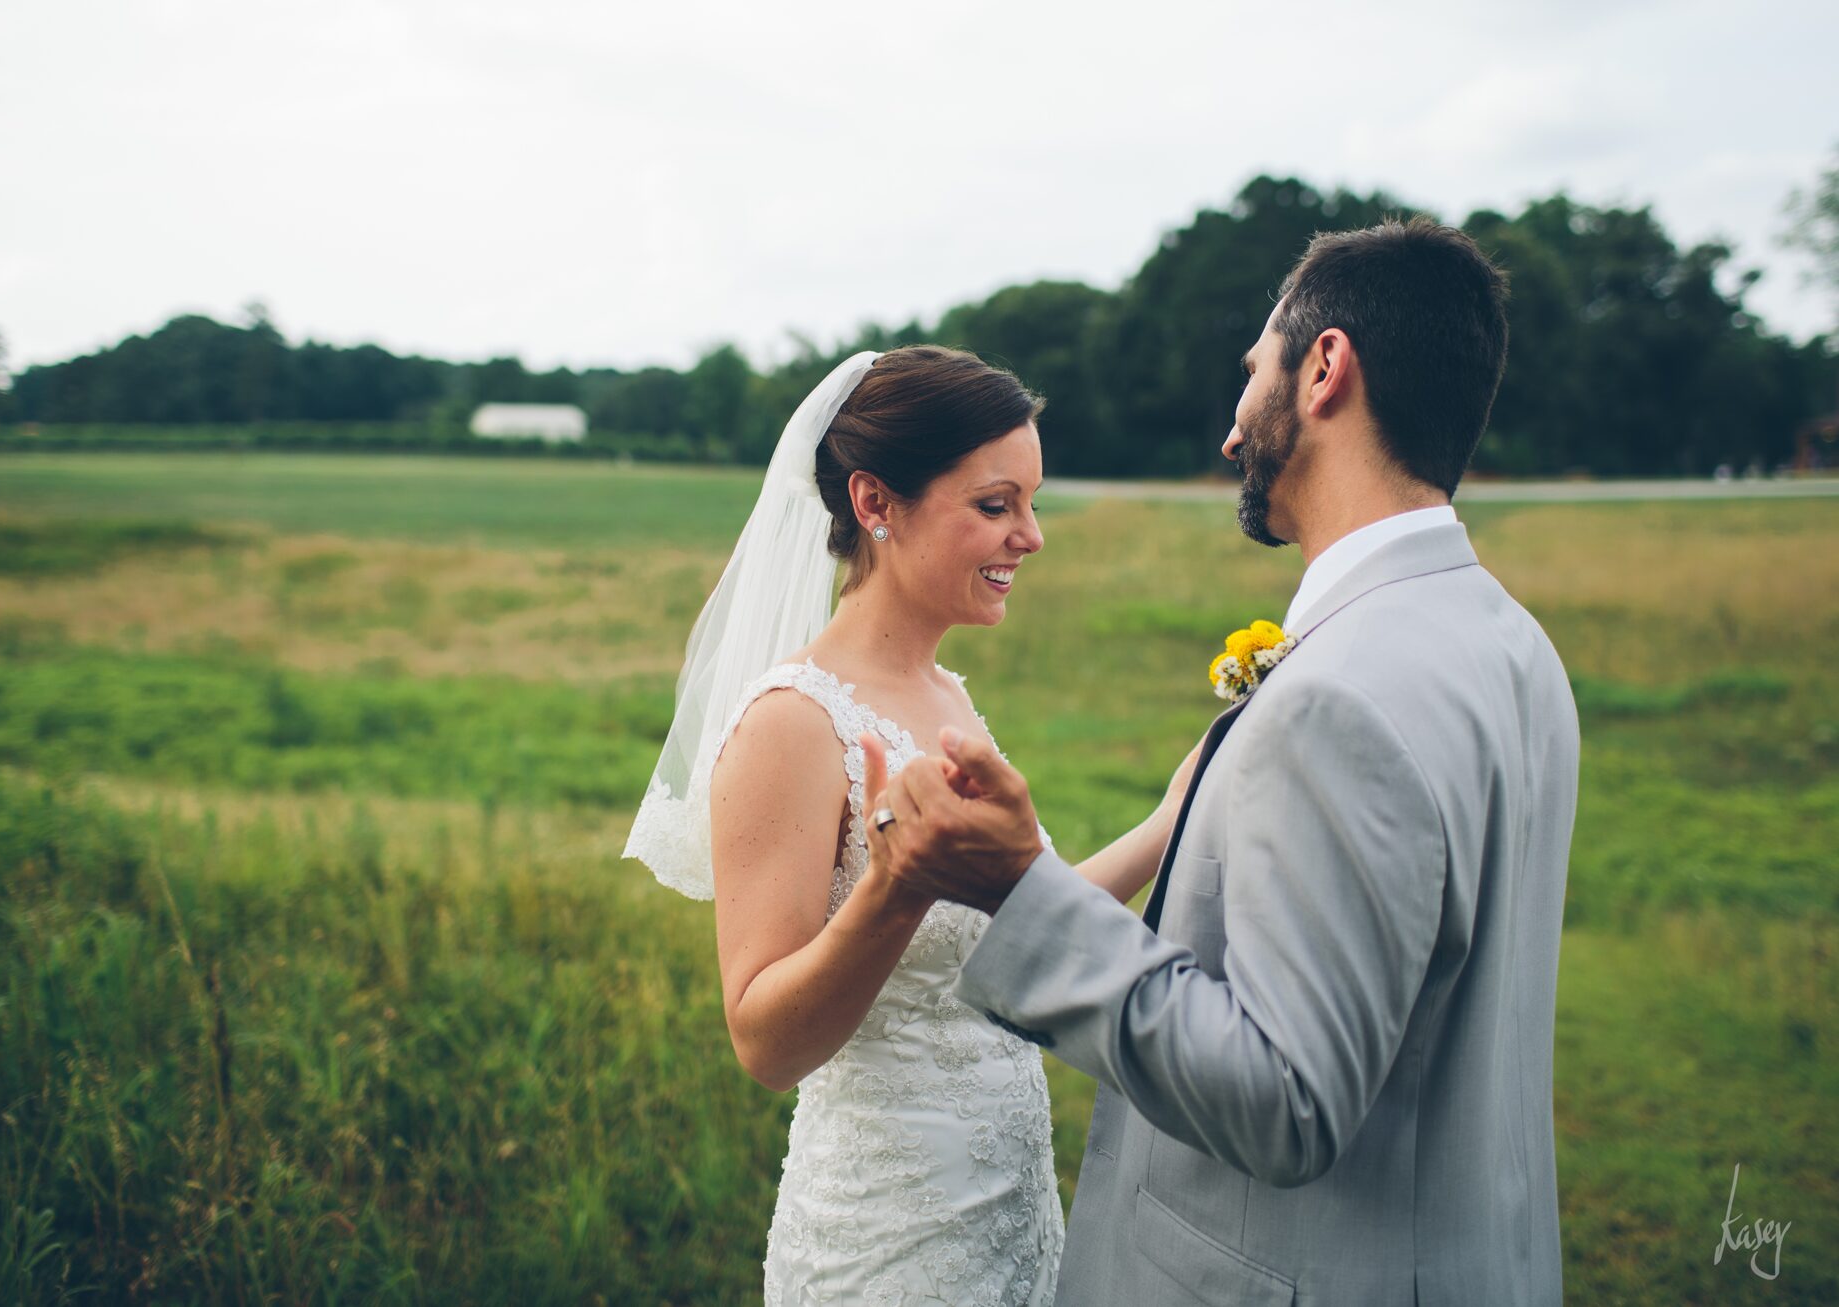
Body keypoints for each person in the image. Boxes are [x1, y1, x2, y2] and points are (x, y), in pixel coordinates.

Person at [861, 219, 1581, 1304]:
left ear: (1325, 367)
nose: (1234, 430)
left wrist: (1020, 887)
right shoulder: (1511, 642)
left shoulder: (1339, 695)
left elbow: (1283, 1098)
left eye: (1254, 373)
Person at [624, 345, 1204, 1305]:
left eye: (1031, 501)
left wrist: (1175, 813)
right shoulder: (791, 722)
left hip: (1009, 1219)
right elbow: (765, 1041)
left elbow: (1019, 916)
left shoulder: (947, 695)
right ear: (875, 502)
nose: (1032, 536)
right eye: (995, 505)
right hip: (884, 1244)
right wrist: (896, 888)